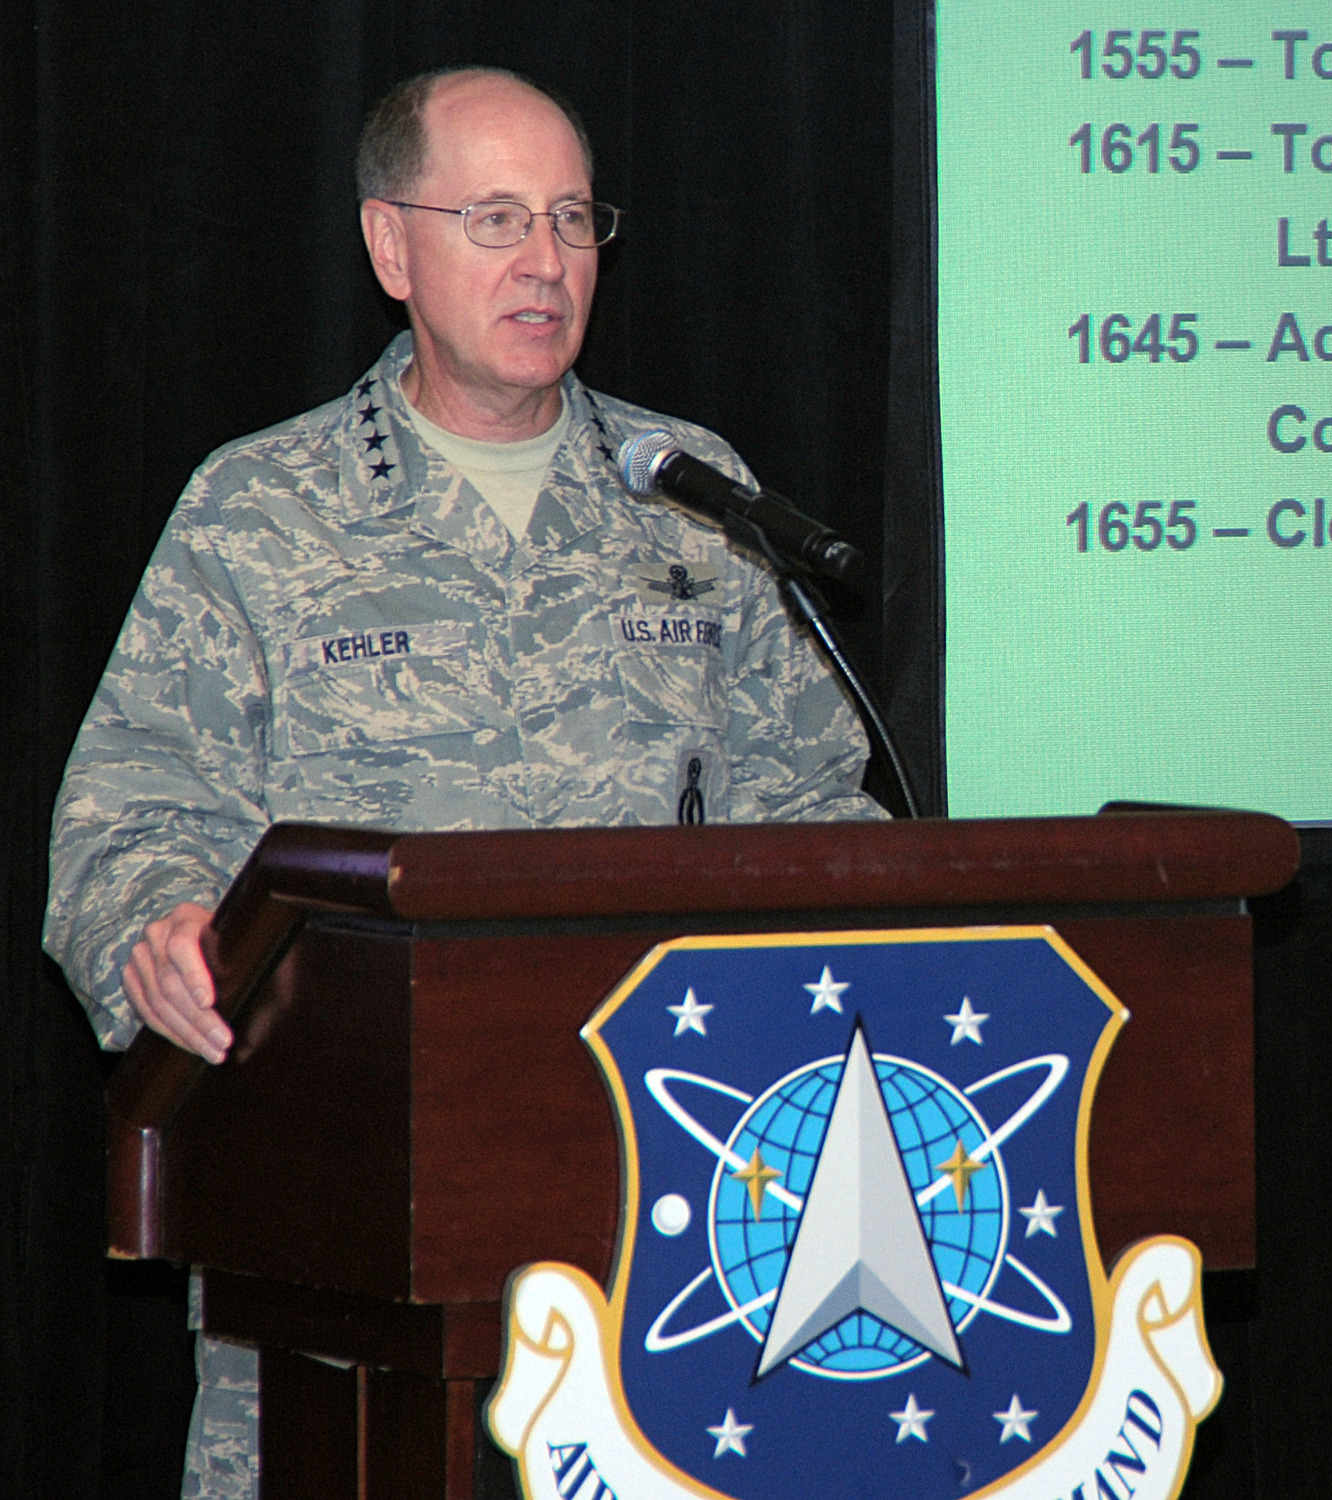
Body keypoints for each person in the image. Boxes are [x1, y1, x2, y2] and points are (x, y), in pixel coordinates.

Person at [44, 66, 882, 1497]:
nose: (546, 260)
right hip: (341, 1219)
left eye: (573, 218)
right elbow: (129, 813)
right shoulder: (262, 508)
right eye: (496, 217)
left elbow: (817, 809)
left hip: (675, 1223)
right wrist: (159, 930)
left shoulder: (692, 497)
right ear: (391, 246)